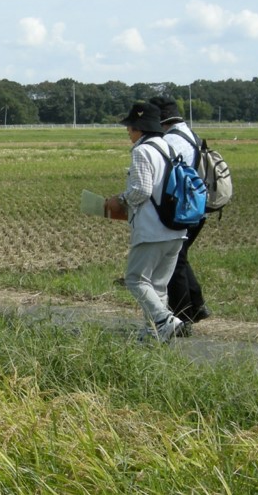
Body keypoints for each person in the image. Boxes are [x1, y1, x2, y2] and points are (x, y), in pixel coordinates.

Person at [105, 101, 187, 343]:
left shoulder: (142, 151)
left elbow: (141, 190)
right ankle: (152, 334)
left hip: (153, 229)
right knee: (158, 286)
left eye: (129, 127)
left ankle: (165, 320)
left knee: (135, 278)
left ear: (139, 128)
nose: (128, 132)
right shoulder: (169, 148)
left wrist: (118, 200)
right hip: (176, 229)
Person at [149, 96, 212, 328]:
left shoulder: (172, 141)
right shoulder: (190, 134)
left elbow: (163, 176)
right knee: (180, 258)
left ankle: (182, 317)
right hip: (198, 206)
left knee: (173, 261)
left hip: (182, 209)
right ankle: (197, 306)